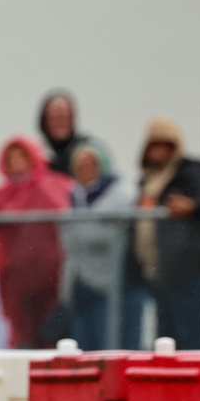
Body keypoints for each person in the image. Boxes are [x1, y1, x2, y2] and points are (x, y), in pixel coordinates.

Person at [132, 117, 200, 349]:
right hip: (157, 272)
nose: (159, 150)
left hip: (186, 270)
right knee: (165, 337)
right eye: (154, 144)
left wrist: (190, 206)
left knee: (188, 336)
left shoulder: (190, 172)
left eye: (165, 144)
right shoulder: (146, 181)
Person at [0, 135, 71, 349]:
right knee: (24, 336)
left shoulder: (54, 185)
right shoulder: (2, 195)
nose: (17, 162)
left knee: (51, 335)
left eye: (21, 157)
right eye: (12, 158)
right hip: (17, 279)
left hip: (51, 277)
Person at [60, 141, 135, 351]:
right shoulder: (74, 196)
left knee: (106, 345)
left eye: (91, 164)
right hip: (78, 282)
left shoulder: (120, 193)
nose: (86, 169)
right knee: (81, 347)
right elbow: (69, 242)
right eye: (80, 165)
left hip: (107, 284)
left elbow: (96, 235)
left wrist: (82, 226)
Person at [37, 89, 91, 178]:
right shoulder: (36, 153)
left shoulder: (88, 150)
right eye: (54, 118)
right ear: (45, 121)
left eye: (64, 117)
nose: (60, 123)